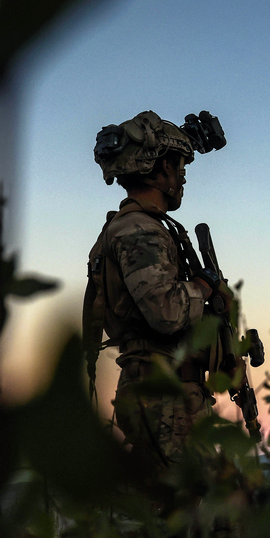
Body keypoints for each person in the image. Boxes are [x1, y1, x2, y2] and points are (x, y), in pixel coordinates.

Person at [83, 110, 230, 477]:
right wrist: (204, 286)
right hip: (163, 395)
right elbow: (165, 311)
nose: (182, 175)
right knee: (179, 516)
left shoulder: (143, 226)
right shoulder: (139, 230)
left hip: (167, 389)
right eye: (177, 165)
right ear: (157, 168)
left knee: (199, 514)